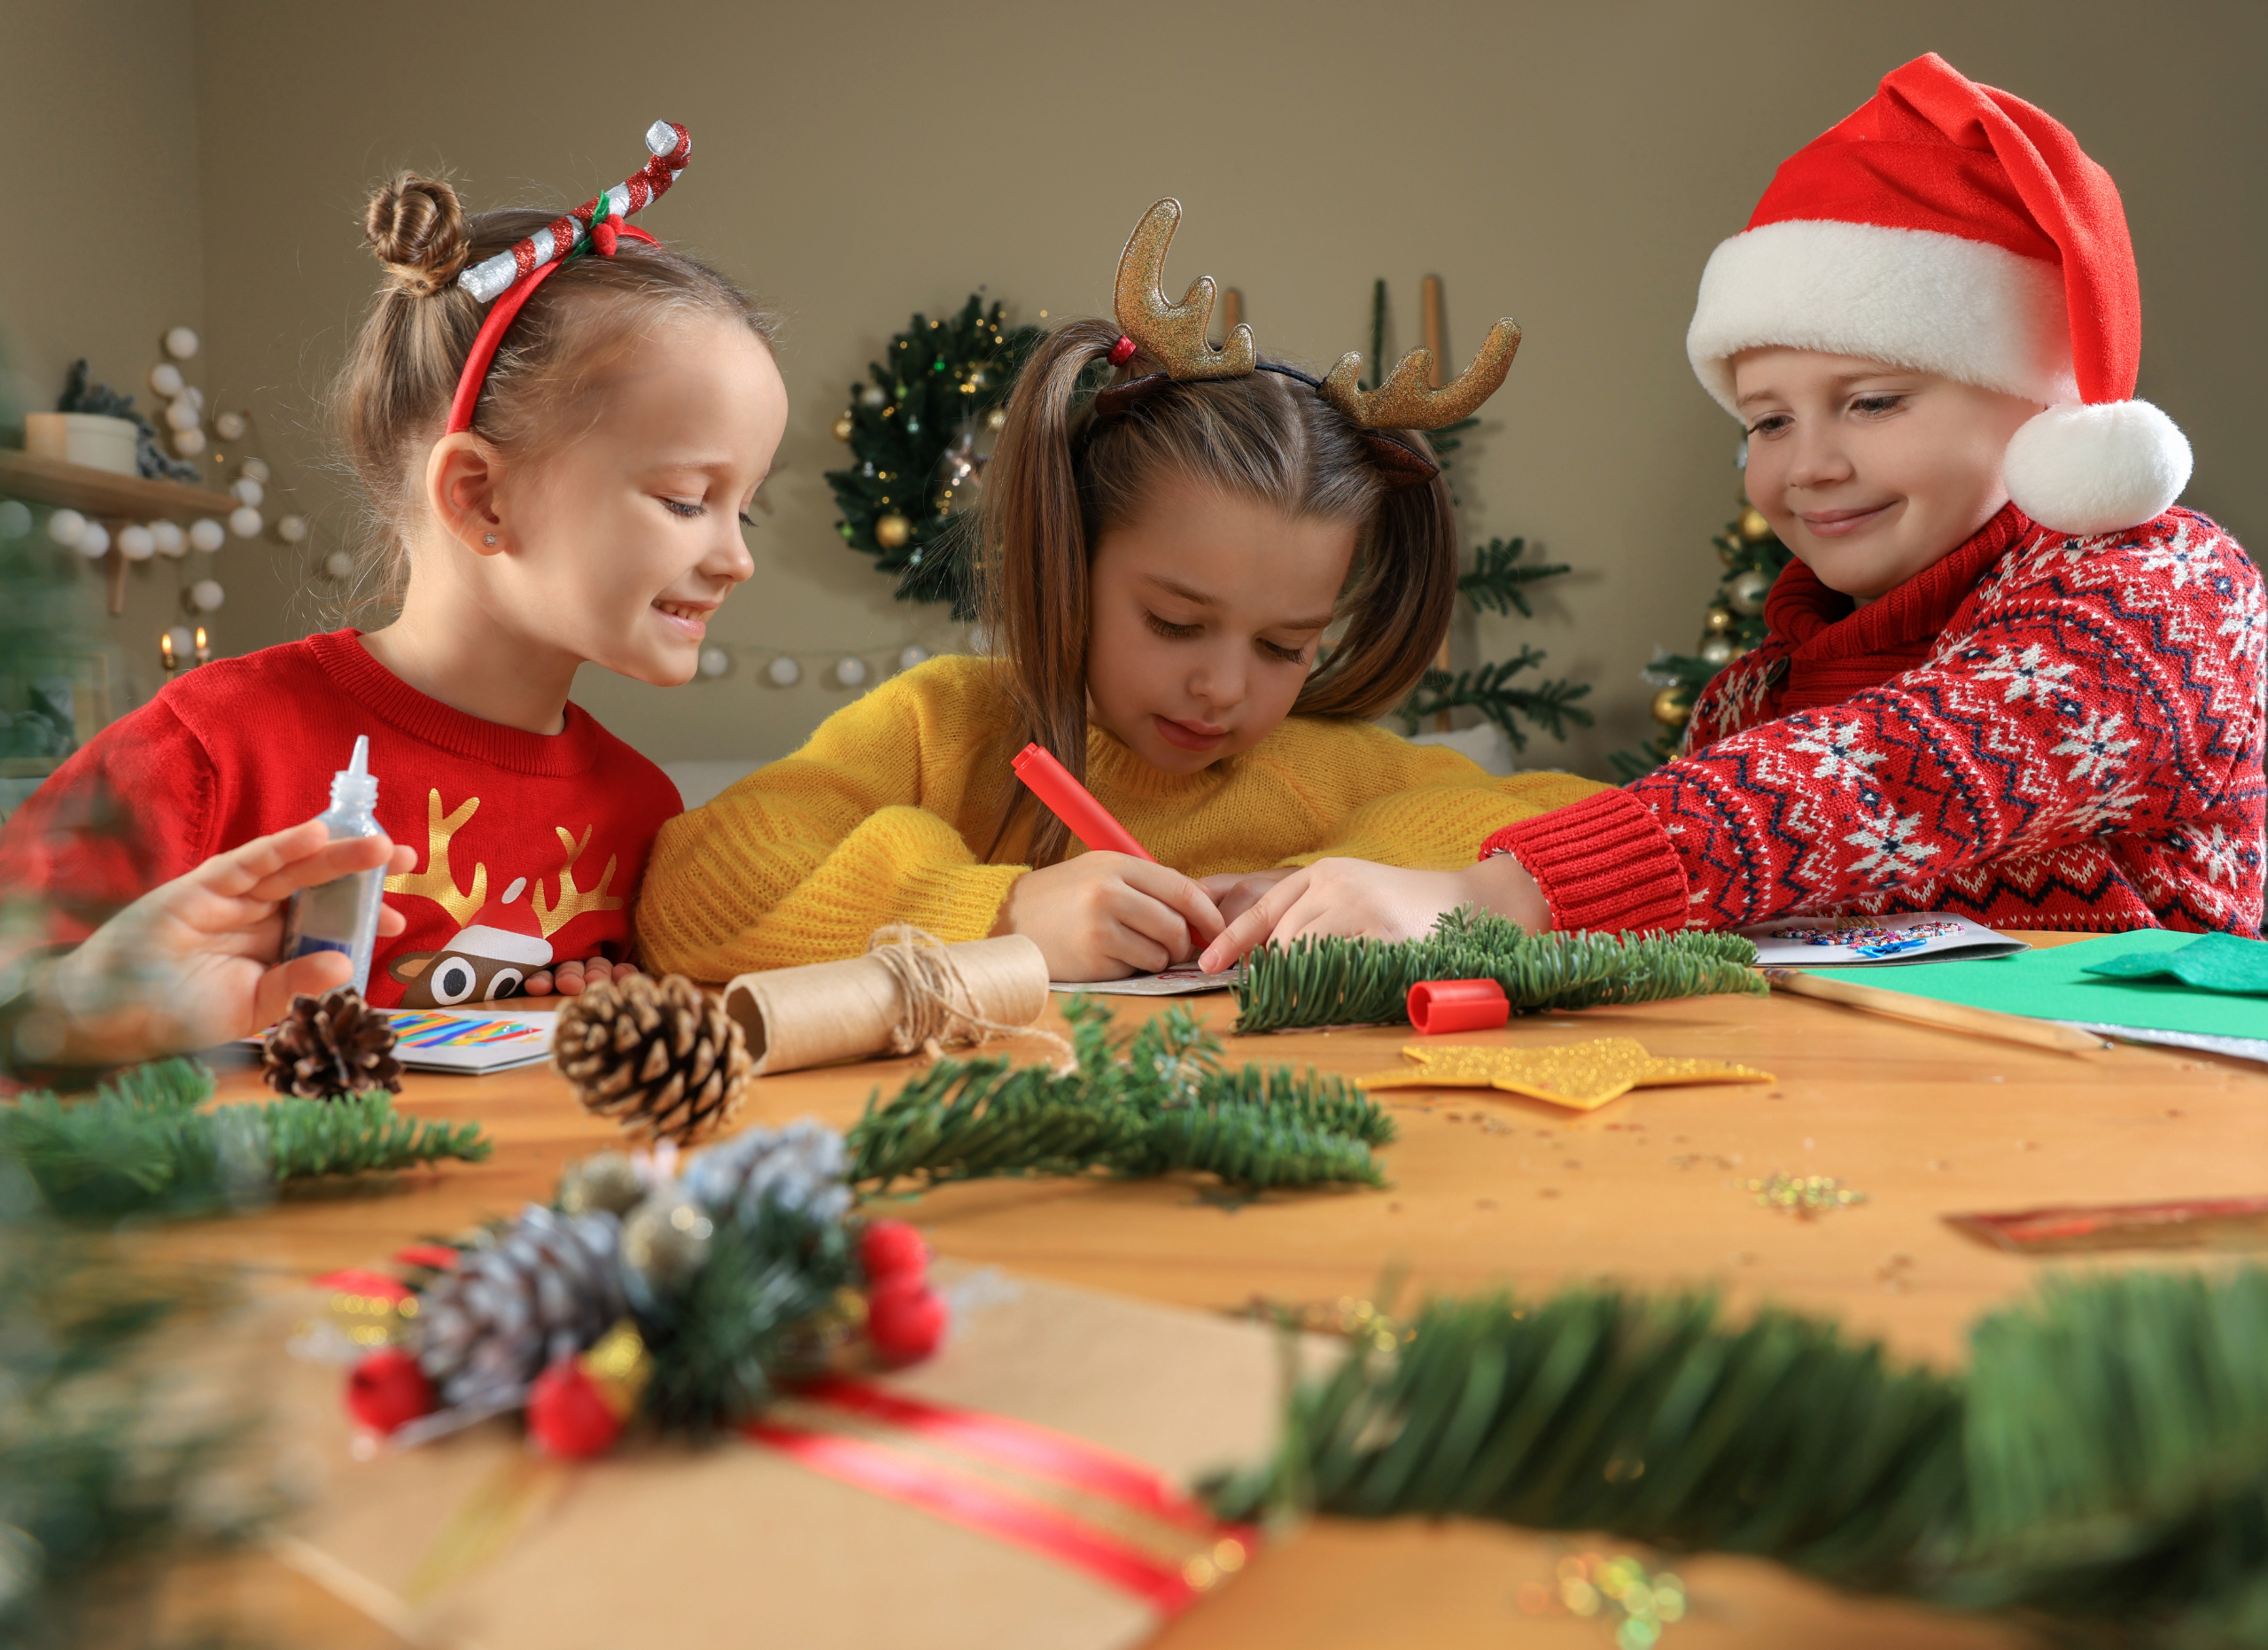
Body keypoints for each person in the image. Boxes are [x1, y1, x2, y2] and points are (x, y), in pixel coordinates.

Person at [1200, 52, 2263, 968]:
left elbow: (1893, 773)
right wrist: (1334, 895)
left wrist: (1499, 897)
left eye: (1873, 402)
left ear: (2046, 405)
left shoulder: (2157, 596)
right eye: (1765, 423)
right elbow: (1687, 884)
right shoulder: (1751, 699)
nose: (1807, 466)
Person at [635, 199, 1604, 984]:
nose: (1223, 686)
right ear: (1072, 557)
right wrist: (1000, 914)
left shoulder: (1322, 769)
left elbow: (1597, 822)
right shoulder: (945, 730)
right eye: (1175, 621)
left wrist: (1353, 879)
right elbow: (694, 885)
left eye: (1284, 646)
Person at [0, 121, 788, 1040]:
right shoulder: (208, 751)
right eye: (690, 499)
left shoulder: (645, 815)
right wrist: (92, 1011)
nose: (738, 557)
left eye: (748, 509)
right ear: (480, 495)